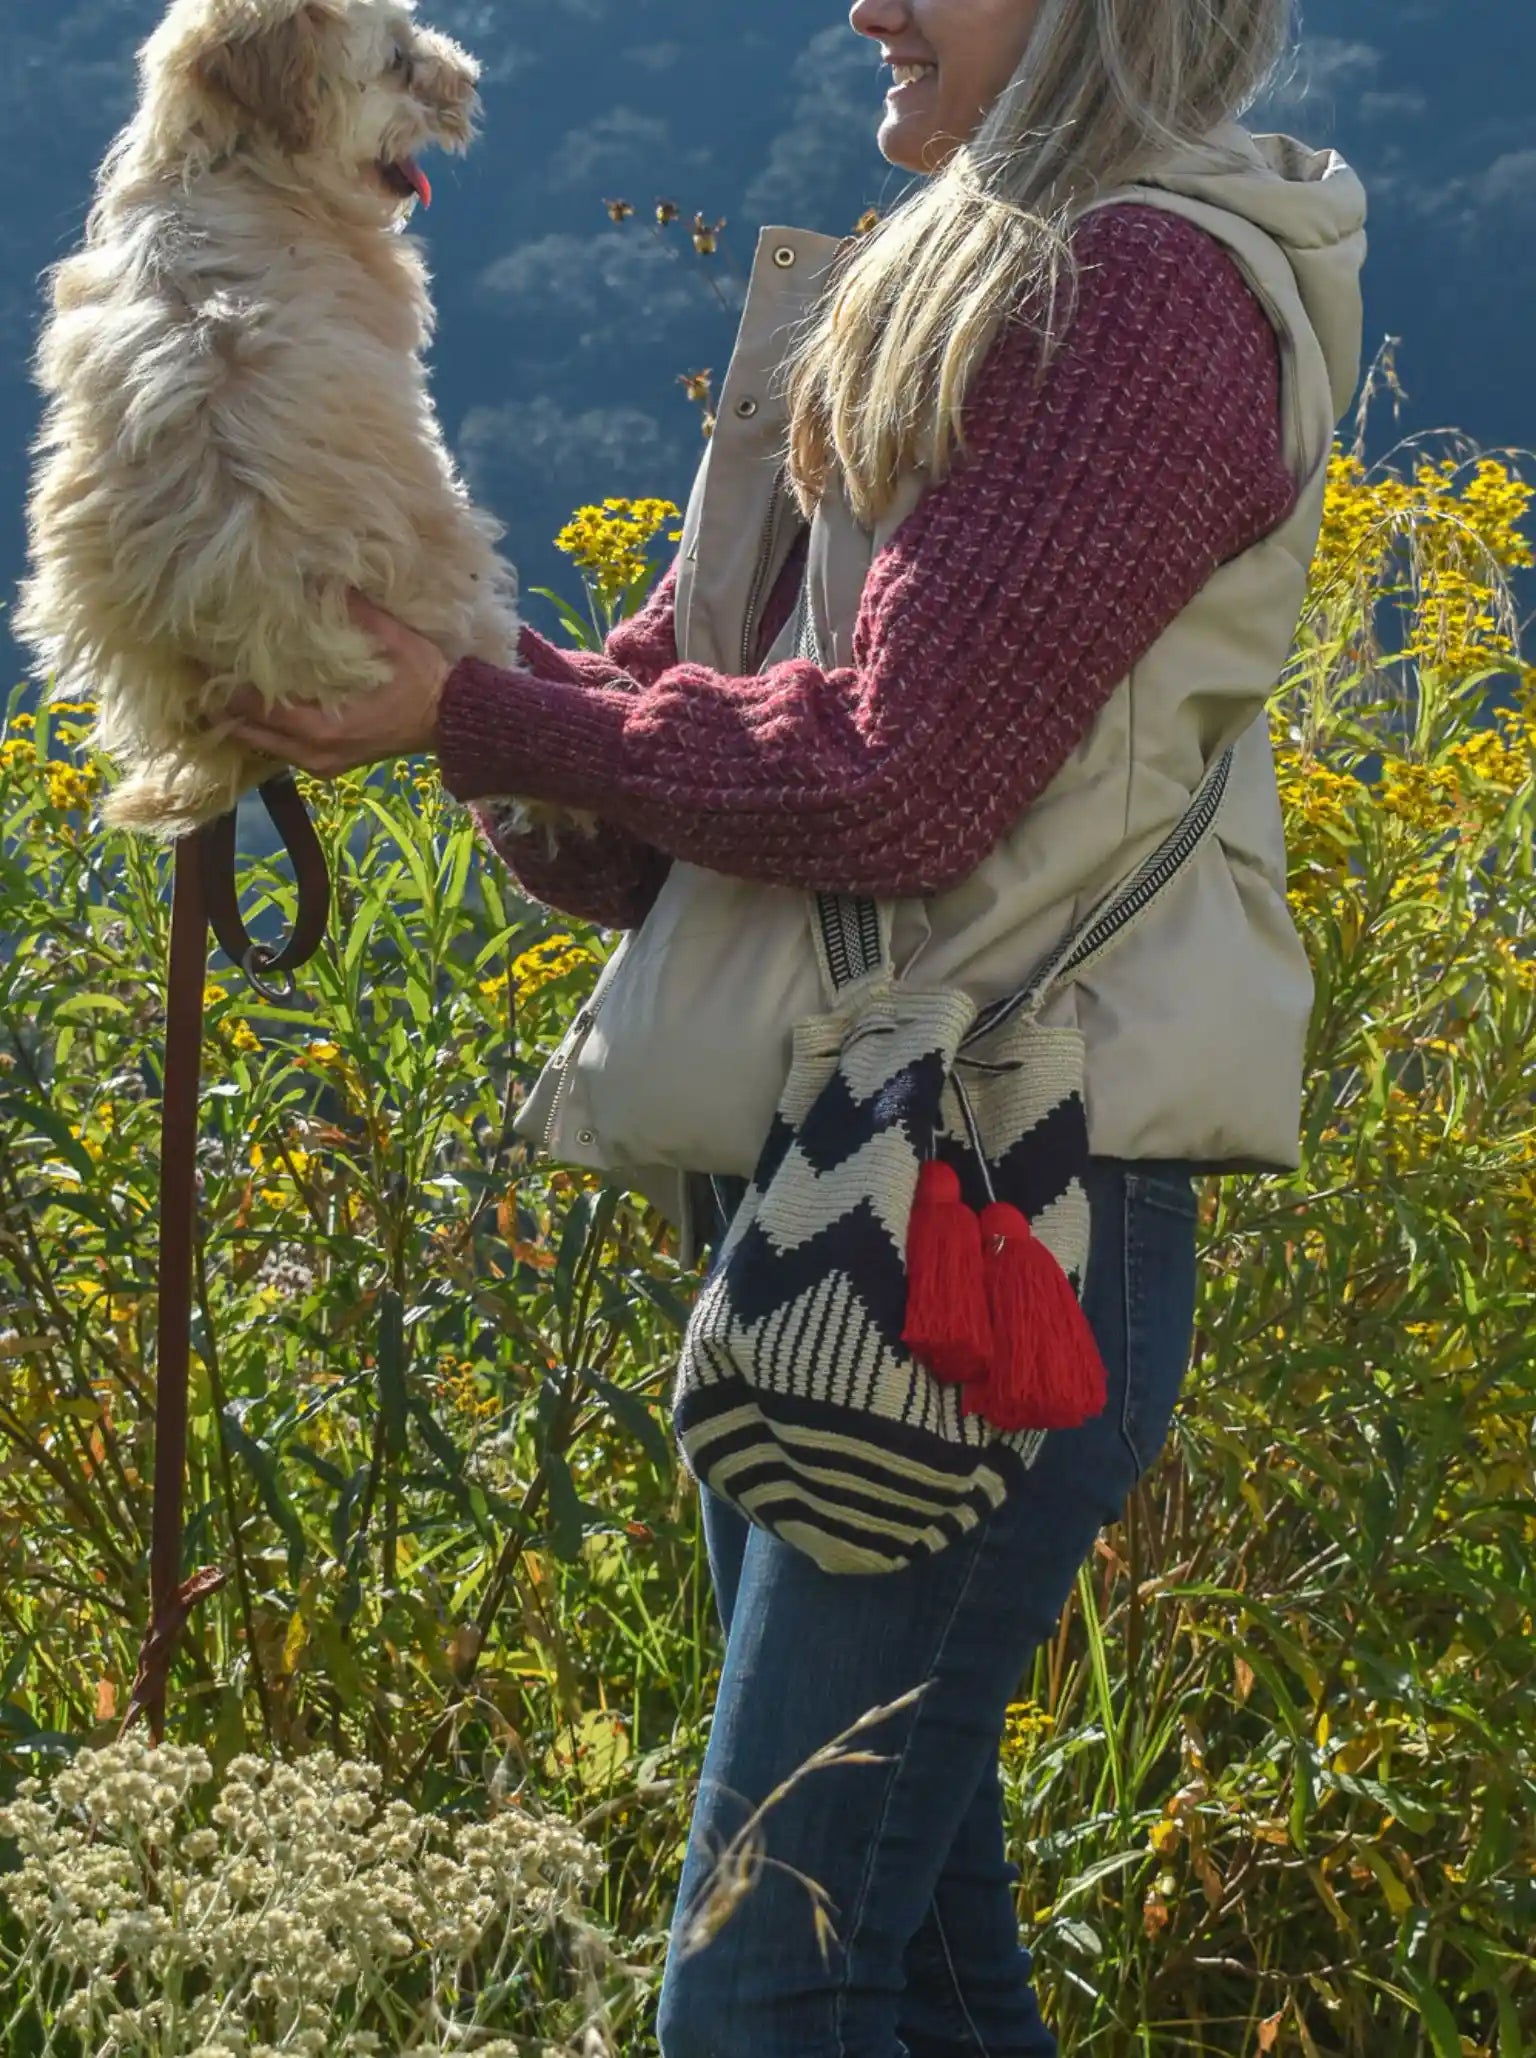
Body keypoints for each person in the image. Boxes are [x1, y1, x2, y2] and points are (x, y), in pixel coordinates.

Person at [229, 0, 1366, 2047]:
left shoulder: (1146, 296)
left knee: (761, 1979)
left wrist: (466, 708)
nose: (863, 4)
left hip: (1002, 1216)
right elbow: (676, 807)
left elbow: (890, 781)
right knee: (914, 1962)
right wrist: (402, 657)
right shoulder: (924, 280)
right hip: (852, 1195)